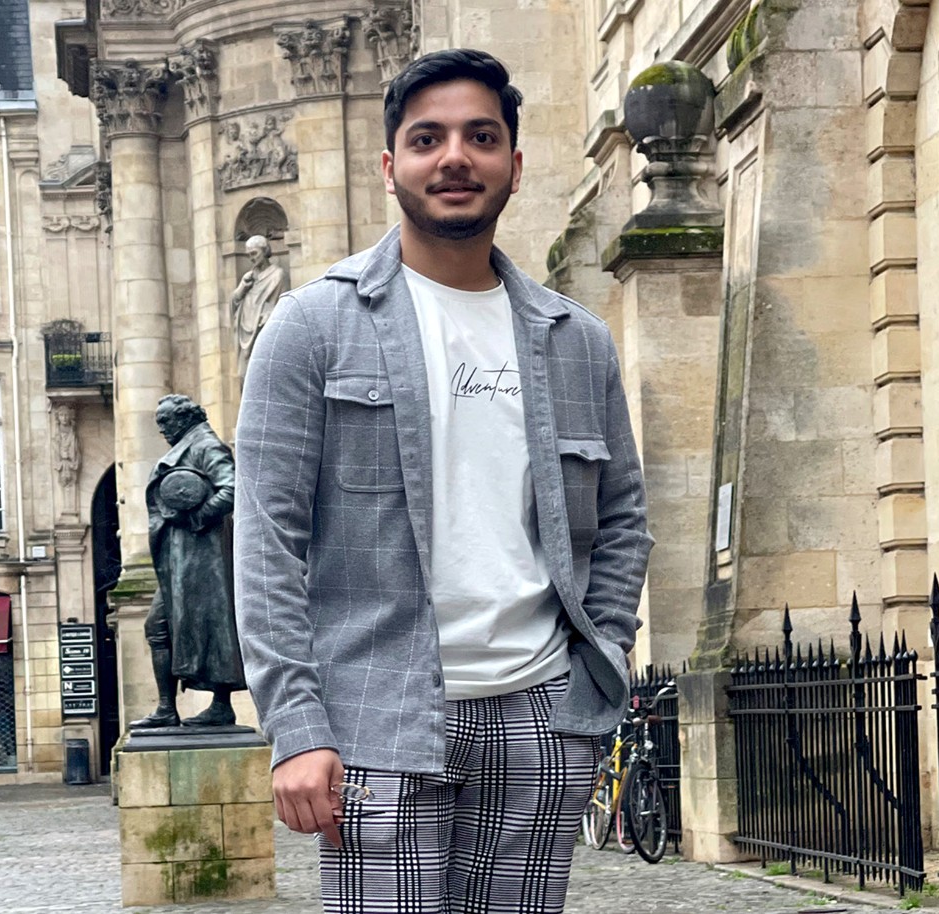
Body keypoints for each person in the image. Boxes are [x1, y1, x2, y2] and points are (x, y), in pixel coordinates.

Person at [235, 49, 653, 913]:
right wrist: (297, 728)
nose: (455, 157)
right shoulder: (312, 328)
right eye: (428, 139)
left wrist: (592, 680)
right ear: (391, 167)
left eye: (480, 137)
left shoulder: (577, 340)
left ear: (514, 164)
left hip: (540, 719)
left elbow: (623, 521)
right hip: (376, 720)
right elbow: (266, 540)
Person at [128, 394, 246, 729]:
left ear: (186, 417)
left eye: (166, 421)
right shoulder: (189, 445)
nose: (162, 428)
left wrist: (196, 517)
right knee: (159, 627)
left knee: (213, 627)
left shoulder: (206, 445)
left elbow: (233, 488)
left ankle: (220, 705)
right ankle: (167, 708)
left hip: (202, 558)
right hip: (181, 561)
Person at [231, 235, 286, 377]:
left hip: (262, 329)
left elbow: (281, 305)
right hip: (245, 330)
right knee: (245, 377)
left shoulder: (277, 275)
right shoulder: (249, 278)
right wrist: (242, 288)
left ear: (265, 251)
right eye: (249, 255)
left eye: (254, 253)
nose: (252, 258)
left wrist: (269, 314)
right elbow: (233, 305)